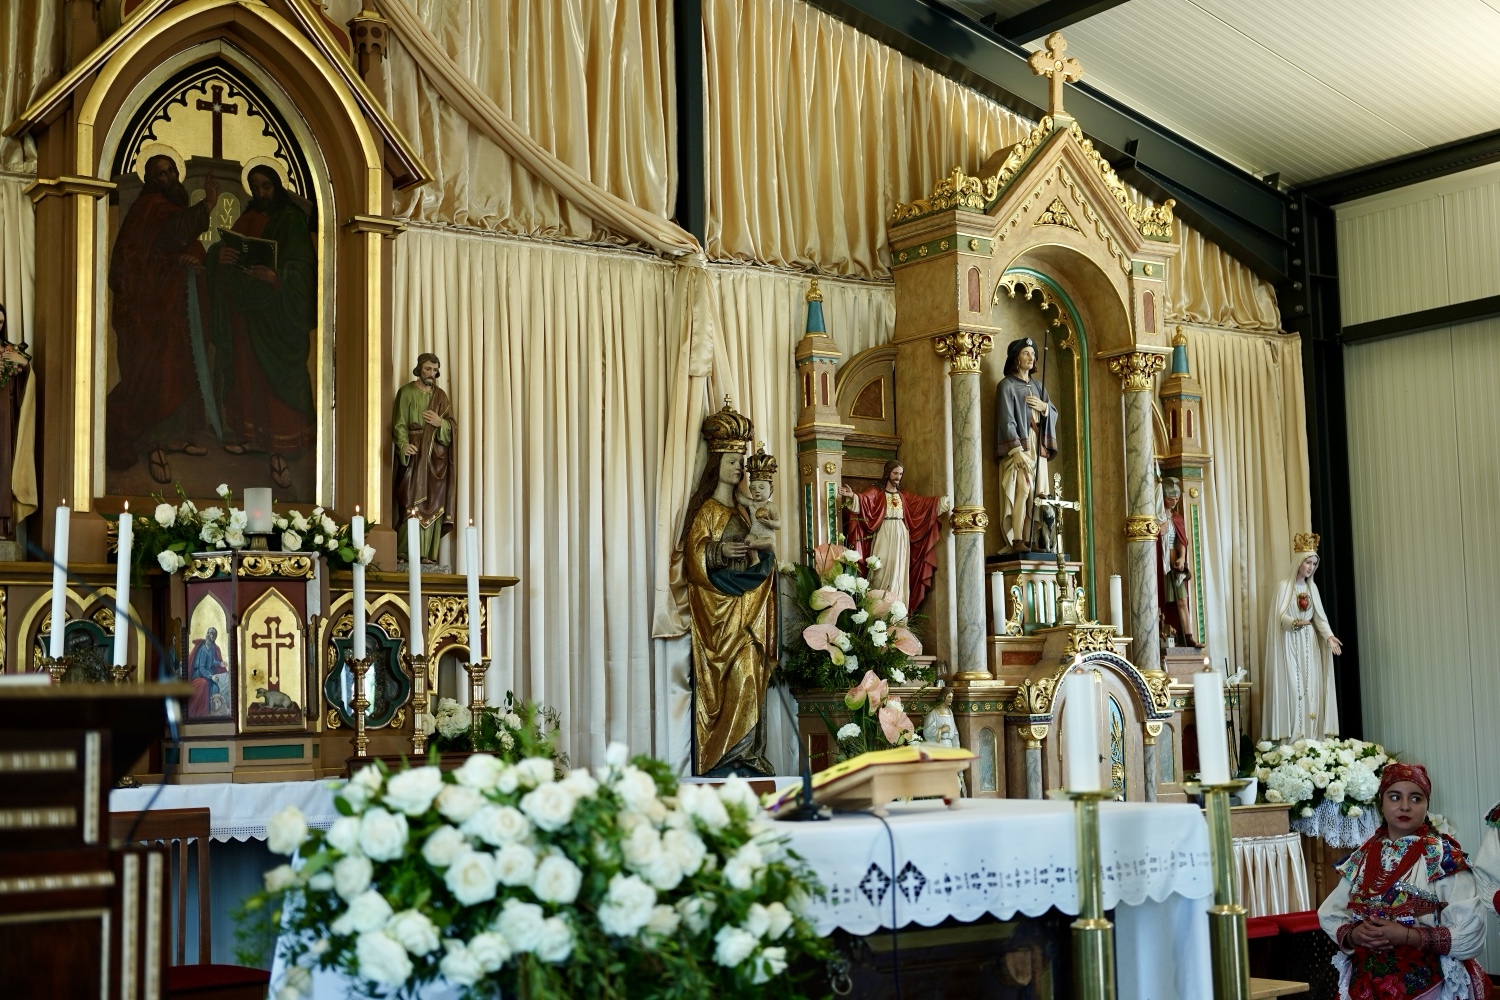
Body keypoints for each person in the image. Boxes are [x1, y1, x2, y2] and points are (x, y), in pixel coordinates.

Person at [1317, 763, 1490, 1000]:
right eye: (1395, 797)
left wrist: (1408, 936)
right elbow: (1331, 913)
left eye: (1416, 798)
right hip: (1366, 983)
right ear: (1382, 803)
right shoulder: (1363, 858)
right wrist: (1355, 935)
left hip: (1429, 985)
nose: (1405, 806)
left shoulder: (1444, 858)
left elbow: (1471, 931)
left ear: (1427, 805)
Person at [106, 153, 218, 481]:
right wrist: (207, 205)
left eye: (171, 171)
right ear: (151, 180)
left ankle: (174, 437)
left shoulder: (167, 208)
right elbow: (171, 237)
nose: (169, 178)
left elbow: (177, 245)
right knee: (155, 373)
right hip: (147, 312)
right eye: (161, 173)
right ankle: (152, 442)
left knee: (178, 368)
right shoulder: (149, 207)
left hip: (171, 307)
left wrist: (191, 259)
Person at [206, 163, 316, 490]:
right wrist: (221, 255)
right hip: (247, 315)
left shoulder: (291, 221)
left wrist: (277, 278)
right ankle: (254, 438)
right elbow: (227, 248)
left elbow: (304, 270)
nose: (261, 193)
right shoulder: (248, 217)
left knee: (273, 381)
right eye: (255, 188)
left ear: (276, 186)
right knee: (249, 376)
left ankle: (279, 451)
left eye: (266, 186)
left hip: (278, 318)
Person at [683, 401, 776, 776]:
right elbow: (694, 560)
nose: (739, 467)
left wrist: (759, 554)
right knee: (734, 679)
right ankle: (722, 758)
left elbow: (762, 548)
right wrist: (719, 551)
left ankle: (746, 755)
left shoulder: (743, 511)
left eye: (741, 461)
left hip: (747, 612)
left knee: (751, 674)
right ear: (717, 463)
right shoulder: (707, 510)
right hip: (719, 615)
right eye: (733, 461)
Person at [1261, 536, 1343, 741]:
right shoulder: (1284, 587)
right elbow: (1279, 617)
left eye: (1314, 564)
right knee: (1293, 687)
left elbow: (1319, 618)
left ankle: (1311, 737)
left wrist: (1329, 636)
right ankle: (1293, 740)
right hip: (1289, 644)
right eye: (1308, 562)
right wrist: (1294, 622)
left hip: (1309, 645)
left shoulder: (1311, 589)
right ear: (1299, 561)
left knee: (1311, 688)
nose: (1311, 567)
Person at [840, 461, 949, 612]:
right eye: (895, 473)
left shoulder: (903, 495)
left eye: (900, 474)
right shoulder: (876, 491)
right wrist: (852, 495)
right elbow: (865, 501)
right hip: (883, 531)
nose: (898, 477)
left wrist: (943, 502)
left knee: (899, 570)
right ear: (888, 473)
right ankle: (877, 611)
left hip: (901, 534)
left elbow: (922, 505)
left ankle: (897, 613)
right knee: (879, 569)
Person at [995, 337, 1058, 551]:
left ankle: (1031, 539)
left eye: (1033, 354)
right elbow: (1006, 419)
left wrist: (1044, 407)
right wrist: (1016, 451)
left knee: (1036, 495)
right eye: (1026, 353)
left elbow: (1053, 412)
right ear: (1016, 358)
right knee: (1022, 489)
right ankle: (1017, 540)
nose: (1031, 358)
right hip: (1020, 445)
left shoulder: (1039, 387)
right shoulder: (1007, 386)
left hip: (1037, 444)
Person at [391, 353, 454, 564]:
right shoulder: (406, 392)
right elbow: (399, 423)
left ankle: (427, 553)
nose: (431, 374)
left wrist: (441, 423)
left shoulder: (441, 396)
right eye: (428, 369)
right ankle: (405, 551)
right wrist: (403, 445)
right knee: (410, 499)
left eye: (435, 370)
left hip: (436, 458)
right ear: (419, 369)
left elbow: (452, 427)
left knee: (434, 501)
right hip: (415, 453)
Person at [1158, 478, 1196, 647]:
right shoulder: (1157, 517)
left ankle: (1187, 635)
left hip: (1175, 565)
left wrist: (1181, 557)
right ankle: (1164, 634)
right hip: (1162, 566)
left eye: (1177, 499)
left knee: (1183, 600)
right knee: (1164, 603)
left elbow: (1182, 540)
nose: (1174, 502)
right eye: (1170, 499)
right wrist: (1158, 531)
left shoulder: (1177, 518)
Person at [186, 626, 228, 719]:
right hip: (199, 674)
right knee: (205, 684)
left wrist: (220, 663)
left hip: (207, 674)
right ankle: (202, 712)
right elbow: (201, 668)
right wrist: (211, 676)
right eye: (208, 633)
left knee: (216, 687)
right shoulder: (203, 649)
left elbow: (212, 661)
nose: (209, 635)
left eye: (212, 633)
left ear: (215, 637)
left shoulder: (212, 647)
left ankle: (213, 711)